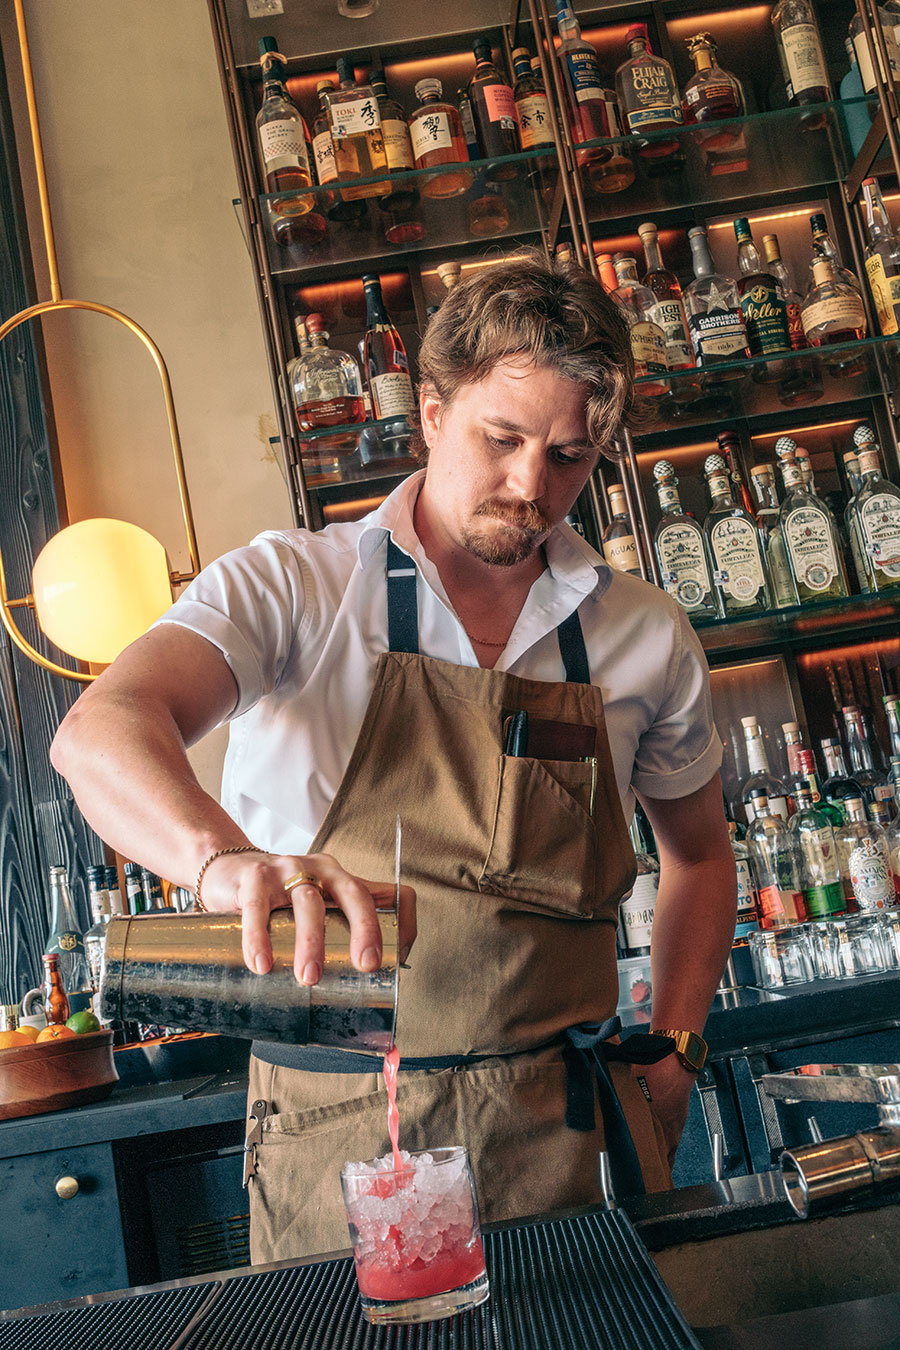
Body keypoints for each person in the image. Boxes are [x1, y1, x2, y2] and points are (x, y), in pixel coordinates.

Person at [51, 252, 736, 1263]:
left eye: (569, 457)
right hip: (345, 1143)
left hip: (573, 1136)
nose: (529, 486)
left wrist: (675, 1050)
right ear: (429, 412)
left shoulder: (644, 634)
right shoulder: (293, 586)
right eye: (501, 439)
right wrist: (223, 859)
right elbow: (101, 729)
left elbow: (703, 859)